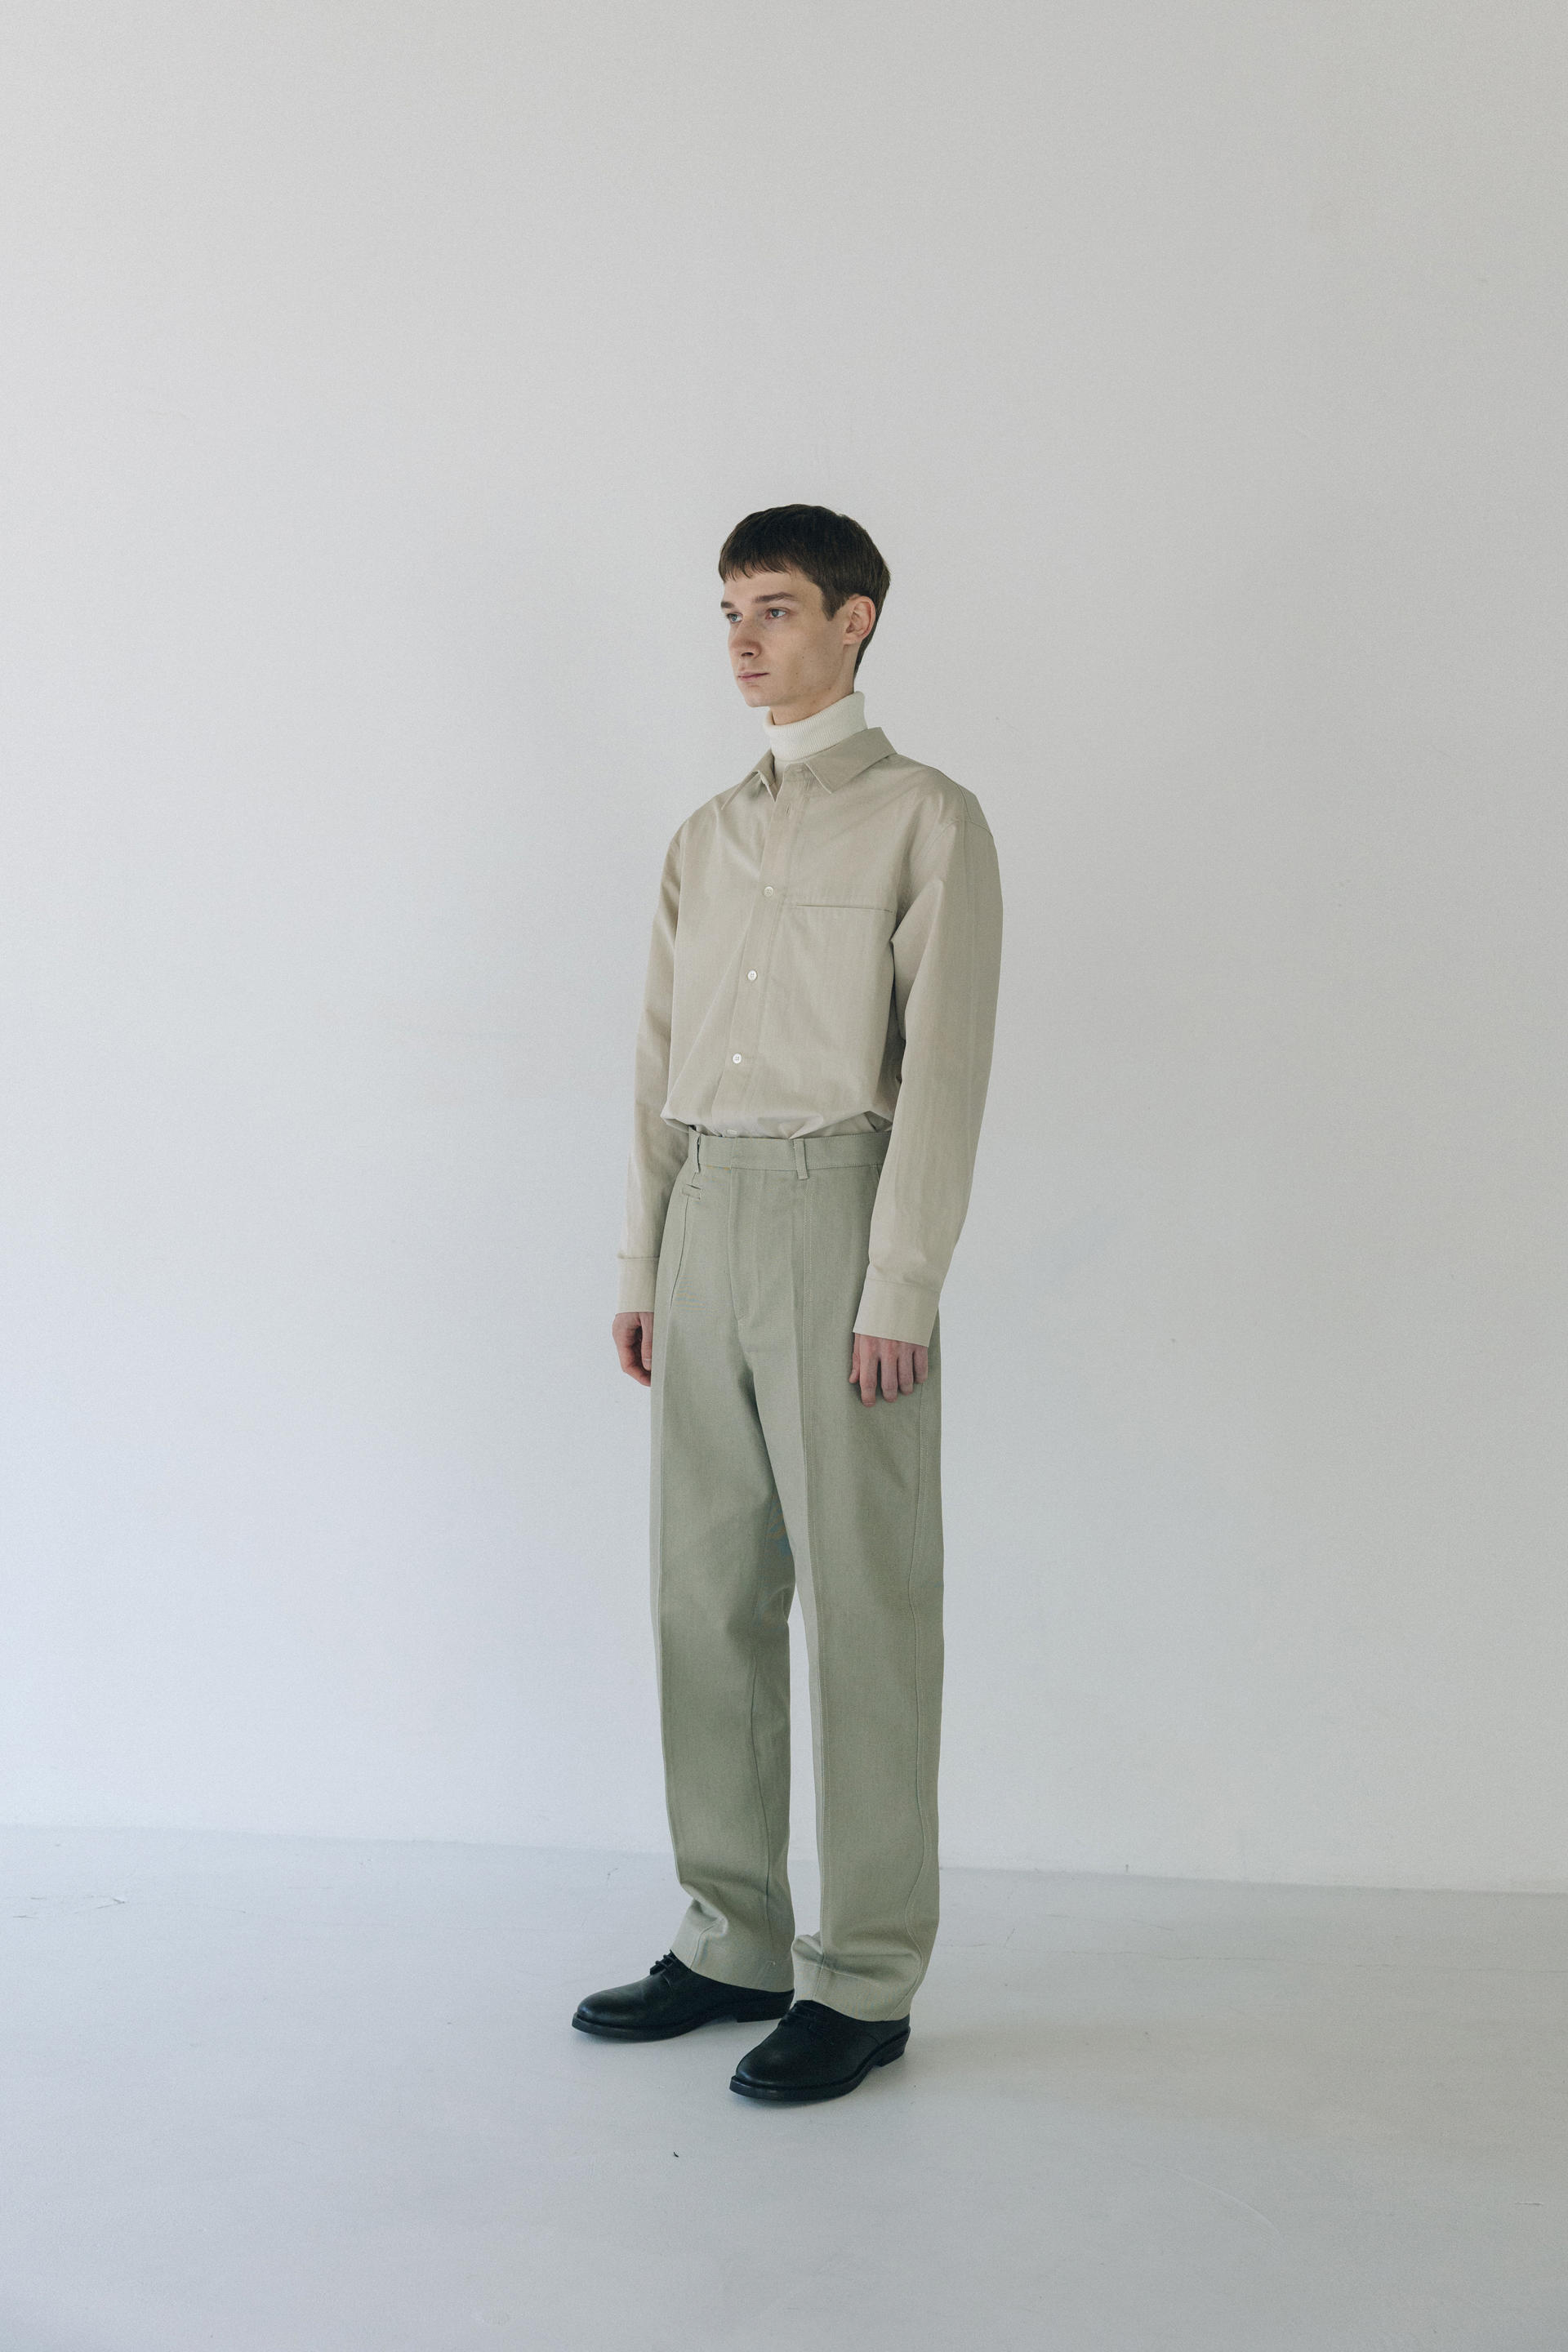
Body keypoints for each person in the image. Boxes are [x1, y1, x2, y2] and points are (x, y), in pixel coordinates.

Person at [573, 504, 1004, 2104]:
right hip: (706, 1214)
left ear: (854, 620)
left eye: (773, 608)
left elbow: (942, 1073)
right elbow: (652, 1063)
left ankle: (867, 1973)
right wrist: (644, 1262)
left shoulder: (926, 820)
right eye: (729, 614)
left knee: (866, 1606)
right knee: (704, 1598)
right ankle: (732, 1936)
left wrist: (901, 1284)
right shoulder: (703, 837)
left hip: (840, 1210)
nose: (744, 641)